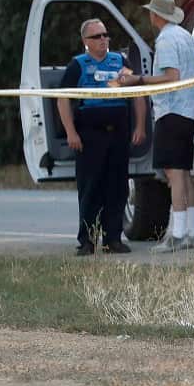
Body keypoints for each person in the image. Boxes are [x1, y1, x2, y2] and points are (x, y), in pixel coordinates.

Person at [115, 0, 194, 252]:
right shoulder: (185, 36)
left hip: (171, 112)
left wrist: (137, 80)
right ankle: (193, 231)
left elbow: (171, 76)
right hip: (187, 112)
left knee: (173, 174)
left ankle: (176, 235)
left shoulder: (165, 41)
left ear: (155, 15)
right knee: (184, 174)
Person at [57, 19, 146, 255]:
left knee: (117, 187)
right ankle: (87, 240)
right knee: (90, 187)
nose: (103, 40)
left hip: (118, 133)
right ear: (86, 41)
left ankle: (112, 239)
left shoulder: (119, 61)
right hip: (89, 135)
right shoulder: (78, 65)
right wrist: (71, 132)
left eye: (105, 35)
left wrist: (140, 125)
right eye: (97, 36)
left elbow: (136, 93)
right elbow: (62, 99)